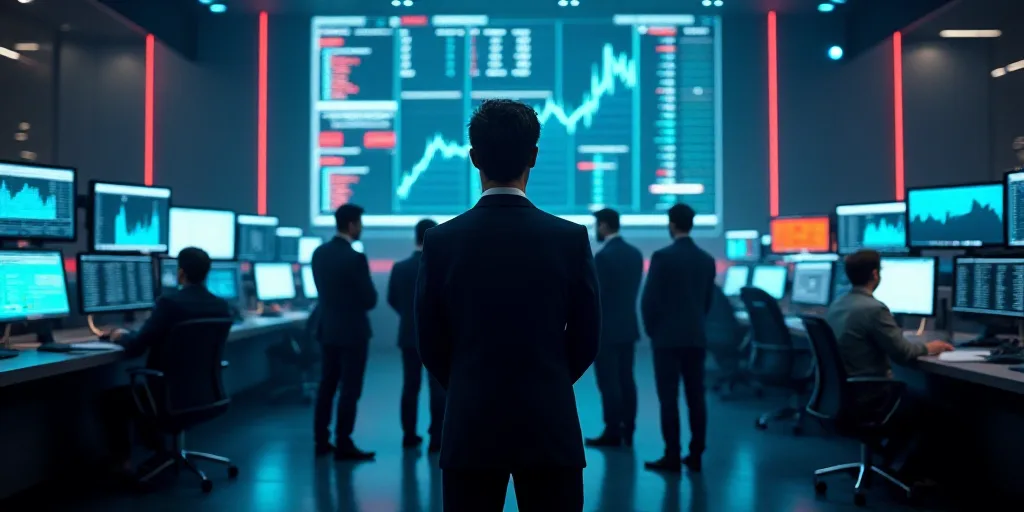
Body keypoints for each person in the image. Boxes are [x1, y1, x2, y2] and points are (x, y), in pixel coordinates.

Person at [415, 99, 600, 512]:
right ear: (534, 156)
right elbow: (587, 339)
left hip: (470, 426)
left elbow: (429, 341)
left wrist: (471, 384)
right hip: (550, 425)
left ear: (473, 157)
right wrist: (546, 382)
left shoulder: (441, 241)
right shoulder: (569, 238)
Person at [103, 247, 232, 473]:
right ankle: (159, 452)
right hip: (206, 395)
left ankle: (122, 468)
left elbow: (136, 347)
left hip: (170, 398)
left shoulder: (170, 303)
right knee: (147, 393)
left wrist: (118, 335)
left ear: (181, 273)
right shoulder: (220, 306)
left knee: (112, 399)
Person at [826, 249, 954, 477]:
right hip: (868, 397)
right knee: (935, 408)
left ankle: (891, 461)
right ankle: (907, 472)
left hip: (841, 396)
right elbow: (903, 353)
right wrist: (931, 347)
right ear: (875, 275)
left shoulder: (837, 305)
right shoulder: (874, 309)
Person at [640, 203, 716, 474]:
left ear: (672, 225)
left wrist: (653, 332)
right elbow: (707, 302)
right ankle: (696, 455)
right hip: (695, 337)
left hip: (667, 340)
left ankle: (672, 455)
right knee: (697, 397)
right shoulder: (707, 260)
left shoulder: (662, 257)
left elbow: (648, 301)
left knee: (668, 398)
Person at [311, 204, 378, 461]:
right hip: (353, 333)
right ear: (352, 225)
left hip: (327, 329)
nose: (361, 228)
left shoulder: (319, 253)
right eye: (360, 223)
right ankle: (344, 442)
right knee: (350, 389)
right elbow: (370, 299)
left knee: (326, 385)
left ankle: (321, 440)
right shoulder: (356, 257)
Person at [585, 208, 643, 448]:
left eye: (597, 225)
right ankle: (628, 429)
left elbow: (597, 296)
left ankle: (612, 431)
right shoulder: (635, 254)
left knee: (609, 382)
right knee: (627, 380)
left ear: (605, 226)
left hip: (607, 330)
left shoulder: (603, 257)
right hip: (628, 327)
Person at [388, 218, 445, 453]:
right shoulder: (441, 266)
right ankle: (436, 438)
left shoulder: (400, 267)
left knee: (410, 386)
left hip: (408, 335)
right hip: (437, 336)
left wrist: (408, 317)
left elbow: (392, 299)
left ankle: (409, 435)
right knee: (438, 387)